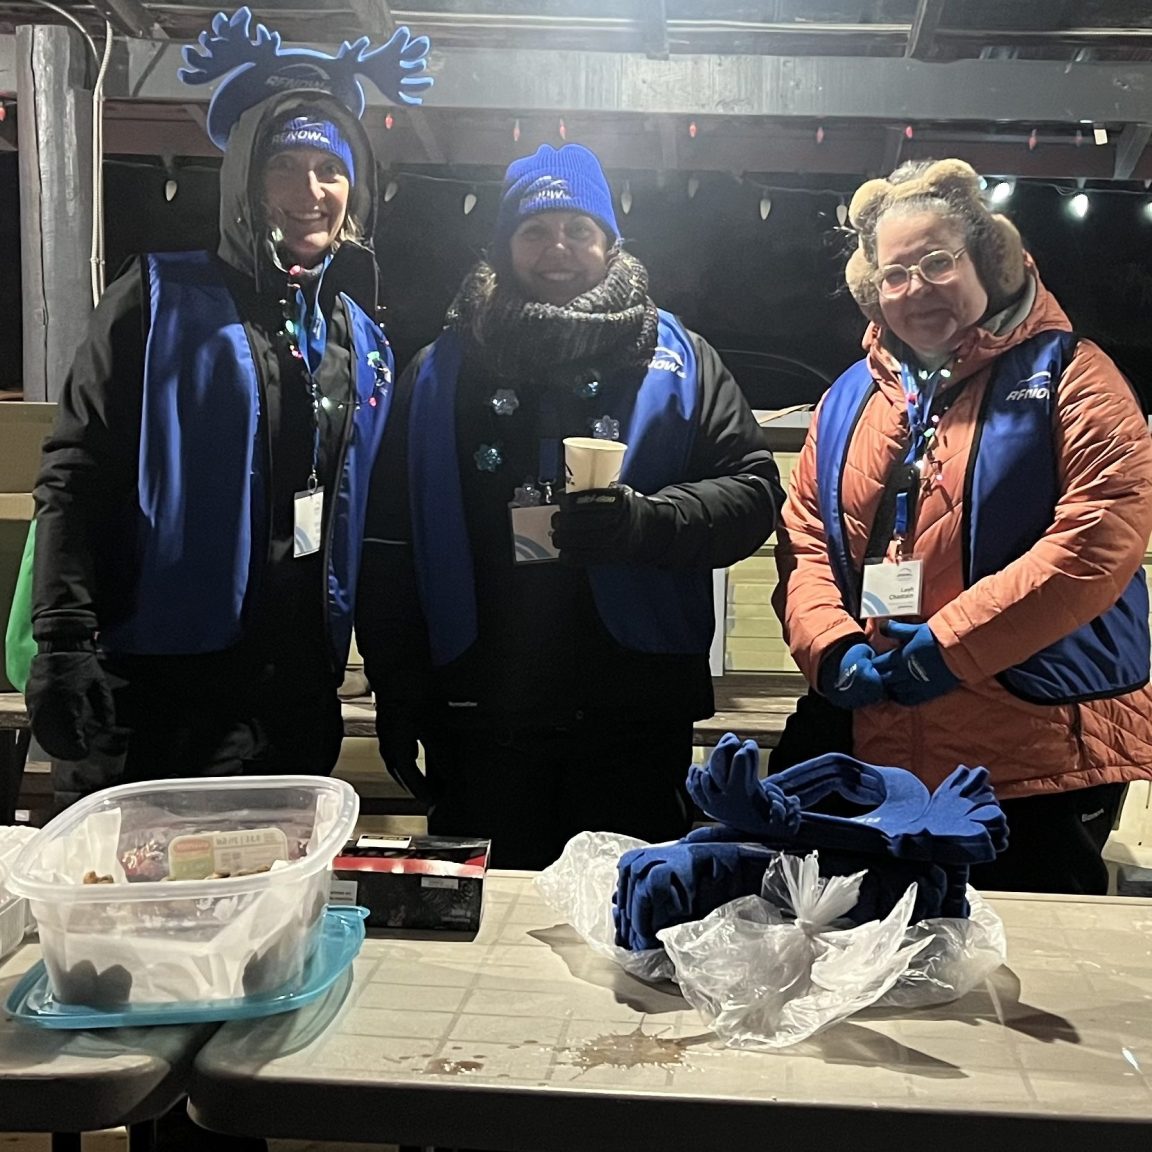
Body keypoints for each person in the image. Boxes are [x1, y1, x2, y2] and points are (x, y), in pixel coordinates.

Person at [357, 143, 783, 870]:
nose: (558, 248)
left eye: (578, 230)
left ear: (611, 243)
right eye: (535, 231)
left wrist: (649, 522)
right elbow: (389, 546)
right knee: (492, 919)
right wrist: (397, 691)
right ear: (503, 246)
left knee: (629, 916)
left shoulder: (681, 358)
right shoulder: (438, 370)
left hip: (636, 713)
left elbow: (752, 492)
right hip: (481, 716)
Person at [773, 158, 1152, 894]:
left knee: (1030, 948)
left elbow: (1098, 538)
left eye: (937, 263)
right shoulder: (849, 397)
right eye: (894, 274)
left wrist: (951, 646)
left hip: (1033, 750)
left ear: (988, 259)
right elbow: (807, 540)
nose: (915, 289)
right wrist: (830, 646)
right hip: (876, 739)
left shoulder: (1075, 374)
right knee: (867, 946)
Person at [27, 69, 398, 808]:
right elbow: (77, 472)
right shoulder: (155, 299)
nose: (310, 189)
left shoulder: (360, 341)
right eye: (283, 165)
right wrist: (63, 639)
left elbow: (377, 520)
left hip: (293, 692)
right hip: (154, 687)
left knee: (278, 880)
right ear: (245, 184)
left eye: (330, 169)